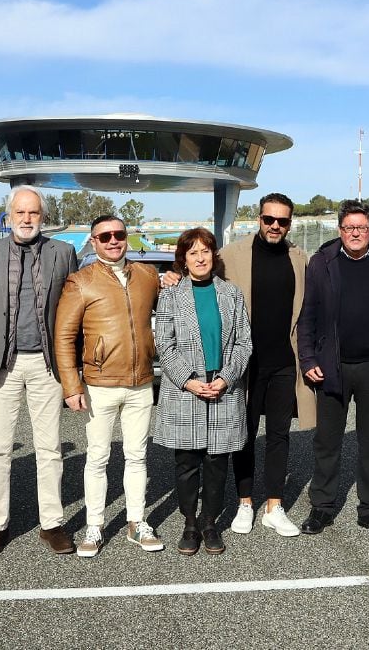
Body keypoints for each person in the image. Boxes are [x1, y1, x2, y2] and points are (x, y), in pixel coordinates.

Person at [0, 186, 79, 557]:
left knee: (49, 448)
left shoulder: (63, 253)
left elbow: (74, 309)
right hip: (3, 364)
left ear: (43, 217)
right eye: (20, 213)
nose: (27, 219)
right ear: (9, 216)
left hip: (46, 364)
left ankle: (52, 524)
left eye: (33, 213)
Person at [54, 215, 164, 557]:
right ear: (94, 241)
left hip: (141, 381)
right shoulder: (80, 281)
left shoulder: (148, 276)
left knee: (137, 456)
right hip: (99, 383)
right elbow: (64, 336)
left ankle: (136, 522)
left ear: (127, 237)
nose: (113, 241)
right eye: (105, 237)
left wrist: (171, 277)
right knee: (97, 458)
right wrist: (72, 385)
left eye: (118, 234)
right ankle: (95, 525)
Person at [297, 199, 369, 538]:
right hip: (332, 366)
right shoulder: (321, 263)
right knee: (327, 441)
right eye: (349, 228)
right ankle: (323, 506)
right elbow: (308, 316)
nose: (355, 233)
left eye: (361, 228)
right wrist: (309, 359)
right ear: (340, 230)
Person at [154, 228, 253, 555]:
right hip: (186, 388)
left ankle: (210, 522)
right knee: (187, 463)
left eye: (206, 251)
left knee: (216, 461)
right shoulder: (170, 294)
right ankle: (190, 523)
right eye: (192, 252)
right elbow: (164, 344)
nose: (200, 257)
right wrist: (188, 379)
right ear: (183, 259)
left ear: (214, 256)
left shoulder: (231, 293)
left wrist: (226, 377)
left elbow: (243, 342)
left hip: (223, 386)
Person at [222, 193, 313, 538]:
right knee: (242, 436)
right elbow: (196, 273)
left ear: (290, 223)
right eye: (269, 219)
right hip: (245, 363)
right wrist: (171, 277)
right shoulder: (231, 256)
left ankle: (274, 506)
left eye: (283, 221)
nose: (275, 226)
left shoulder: (299, 258)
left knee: (278, 436)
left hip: (284, 364)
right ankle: (245, 502)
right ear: (258, 219)